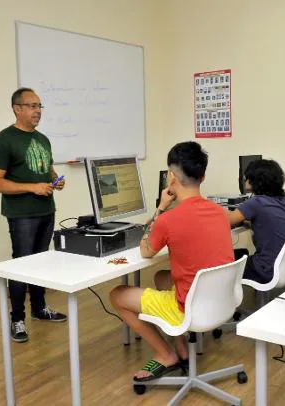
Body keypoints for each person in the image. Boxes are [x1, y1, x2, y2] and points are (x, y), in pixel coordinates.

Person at [109, 141, 234, 381]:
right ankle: (182, 349)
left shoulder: (169, 219)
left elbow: (146, 251)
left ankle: (166, 354)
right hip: (221, 302)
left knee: (117, 294)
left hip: (186, 307)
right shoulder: (221, 213)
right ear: (203, 176)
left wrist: (160, 208)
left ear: (171, 177)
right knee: (161, 277)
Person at [0, 87, 67, 343]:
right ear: (17, 108)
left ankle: (40, 308)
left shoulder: (43, 139)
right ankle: (18, 318)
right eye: (32, 106)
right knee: (22, 264)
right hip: (22, 215)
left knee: (41, 263)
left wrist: (55, 179)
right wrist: (31, 187)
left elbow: (48, 169)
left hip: (46, 210)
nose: (37, 111)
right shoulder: (4, 140)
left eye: (40, 106)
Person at [228, 159, 285, 284]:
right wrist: (250, 224)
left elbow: (229, 220)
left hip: (264, 270)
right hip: (282, 267)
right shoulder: (284, 199)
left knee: (226, 264)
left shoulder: (256, 202)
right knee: (242, 253)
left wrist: (210, 206)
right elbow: (268, 223)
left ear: (254, 181)